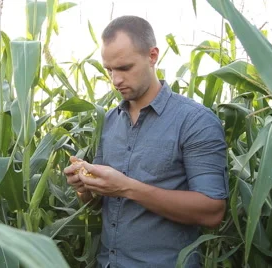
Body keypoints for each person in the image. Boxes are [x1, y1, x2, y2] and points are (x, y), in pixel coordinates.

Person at [64, 15, 228, 268]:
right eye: (109, 70)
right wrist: (84, 187)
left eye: (125, 68)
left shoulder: (195, 121)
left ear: (152, 56)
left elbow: (212, 211)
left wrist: (126, 187)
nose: (115, 80)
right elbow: (99, 202)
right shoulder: (109, 120)